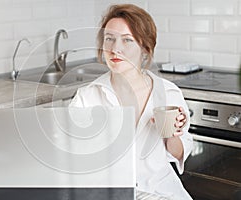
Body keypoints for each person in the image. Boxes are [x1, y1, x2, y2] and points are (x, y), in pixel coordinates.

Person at [69, 4, 193, 200]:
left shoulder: (168, 93)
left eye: (127, 40)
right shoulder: (88, 96)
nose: (115, 49)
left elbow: (179, 155)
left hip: (161, 191)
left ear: (145, 47)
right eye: (109, 39)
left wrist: (170, 135)